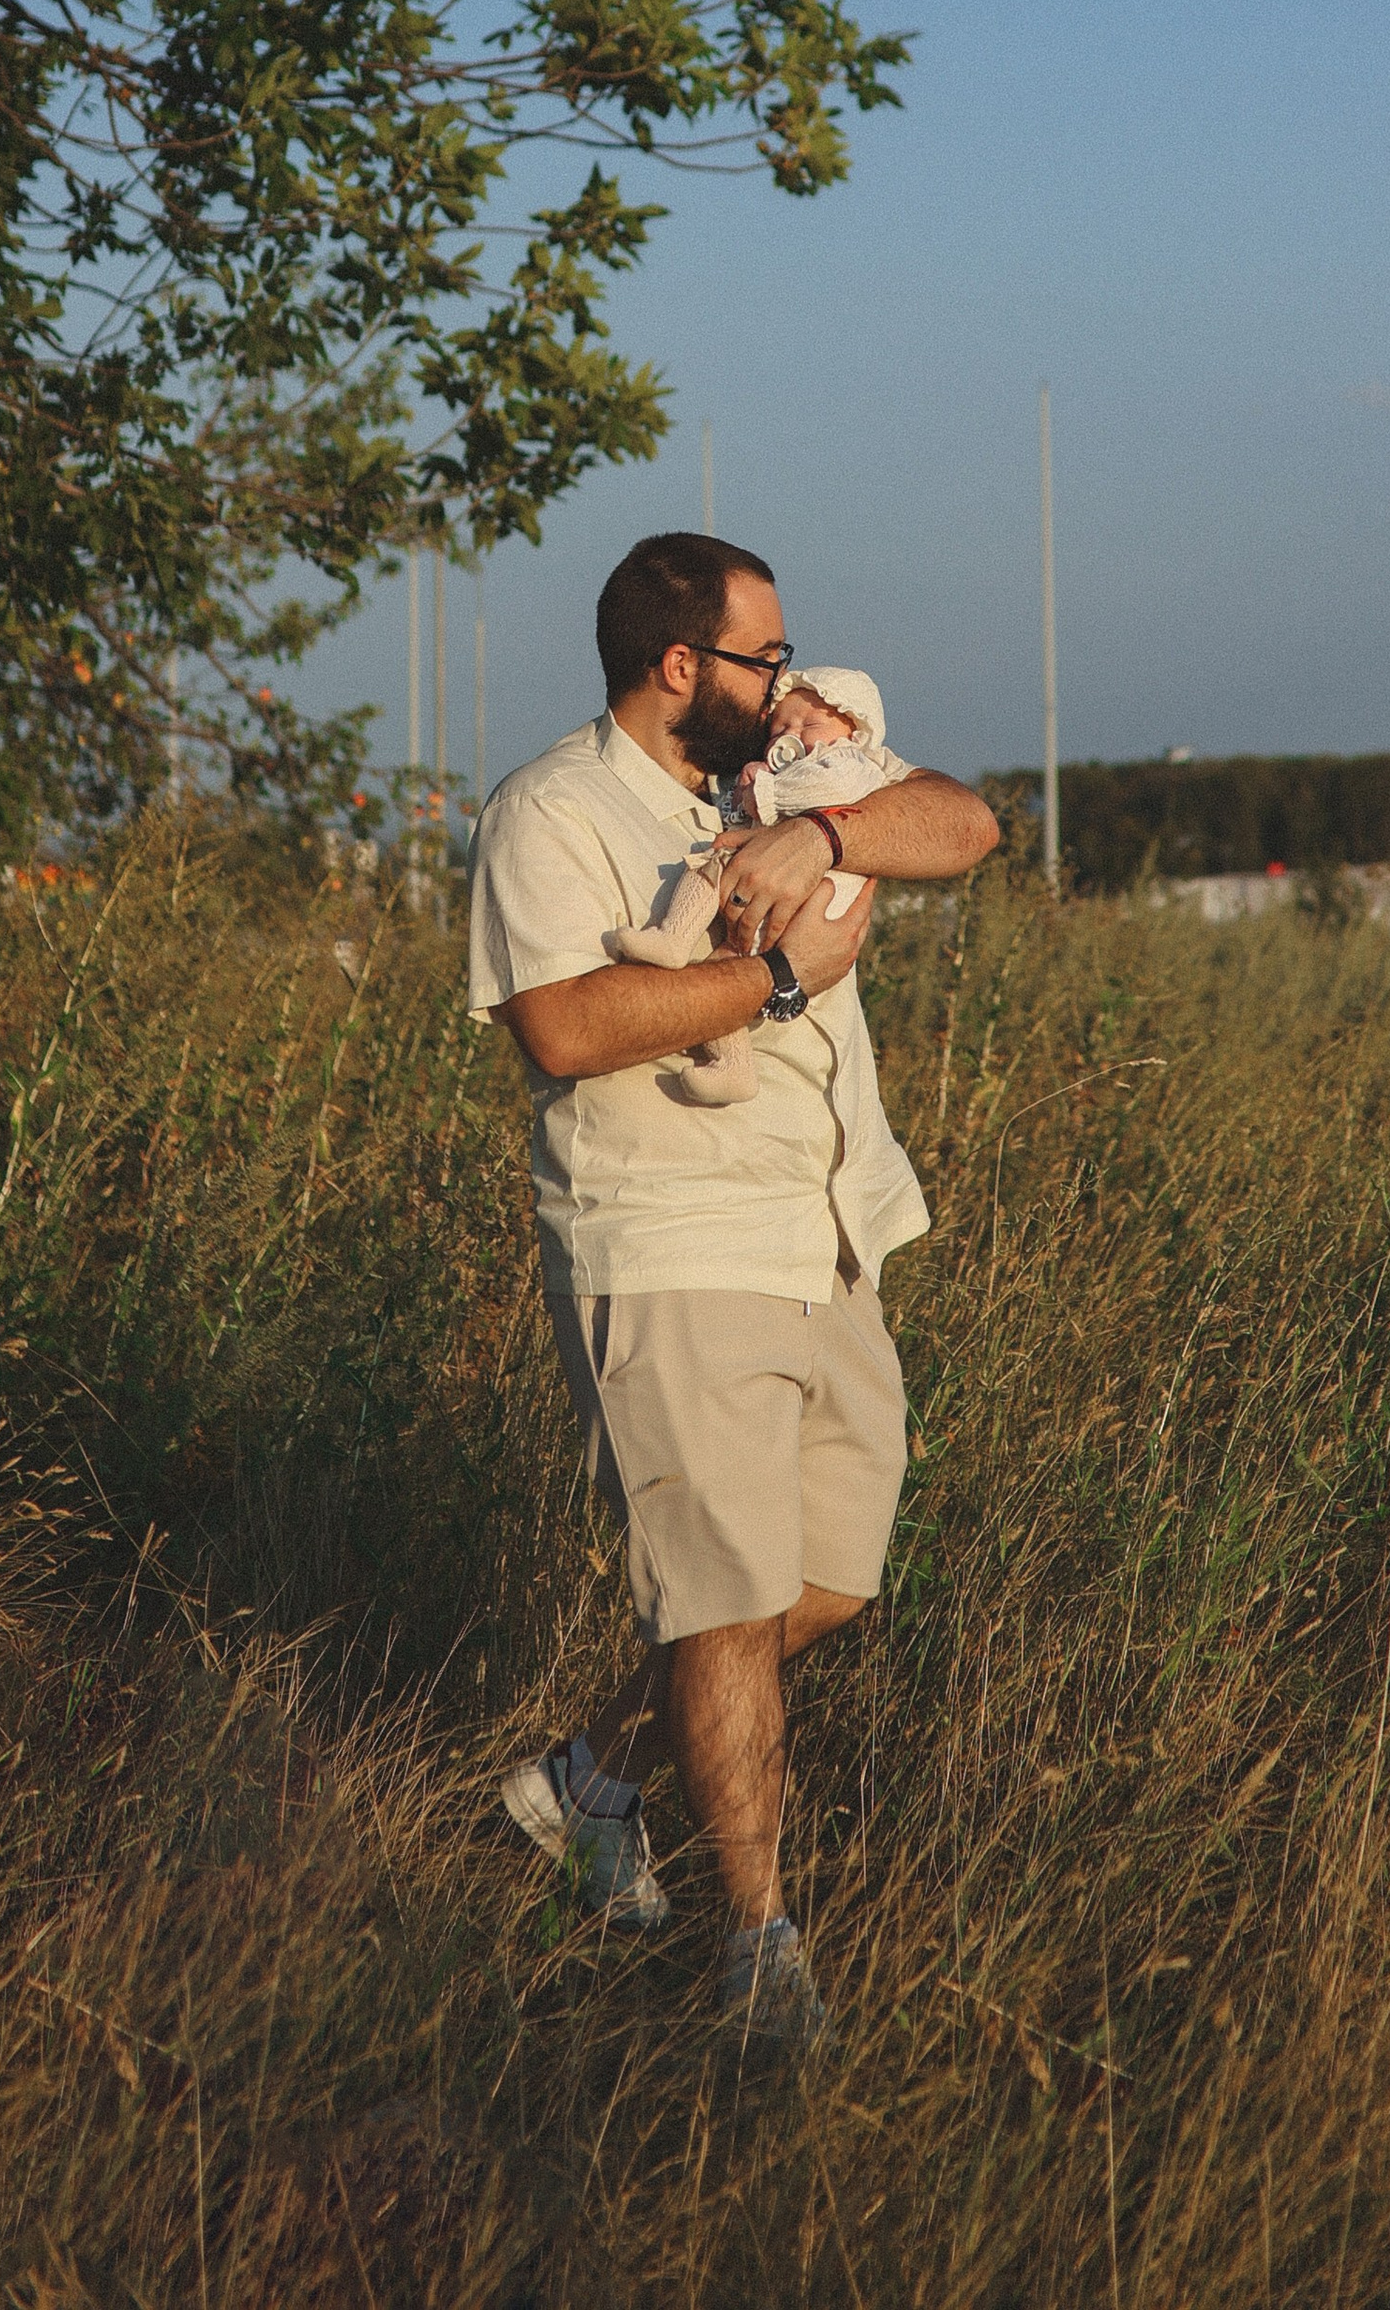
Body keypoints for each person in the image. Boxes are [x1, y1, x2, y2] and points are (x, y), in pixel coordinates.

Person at [470, 532, 999, 2053]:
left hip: (824, 1227)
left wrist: (827, 845)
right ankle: (760, 1952)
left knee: (825, 1580)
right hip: (670, 1239)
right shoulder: (554, 810)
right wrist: (771, 983)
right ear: (678, 663)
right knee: (718, 1599)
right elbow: (563, 1028)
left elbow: (967, 825)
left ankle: (584, 1787)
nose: (790, 680)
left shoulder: (782, 782)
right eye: (763, 657)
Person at [608, 663, 905, 1104]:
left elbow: (831, 789)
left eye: (811, 723)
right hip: (771, 897)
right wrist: (750, 789)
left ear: (852, 726)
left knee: (713, 869)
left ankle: (675, 938)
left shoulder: (849, 761)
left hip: (814, 898)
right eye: (781, 725)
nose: (793, 734)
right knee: (718, 976)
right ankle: (731, 1061)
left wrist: (765, 793)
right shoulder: (777, 768)